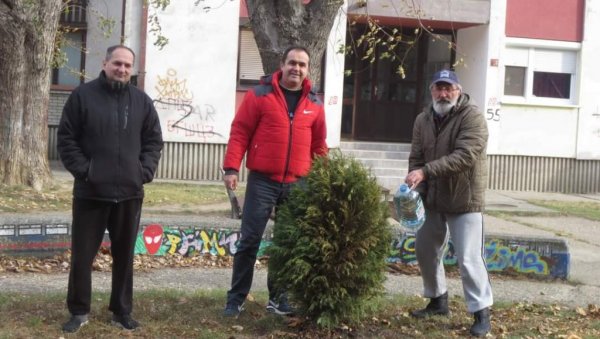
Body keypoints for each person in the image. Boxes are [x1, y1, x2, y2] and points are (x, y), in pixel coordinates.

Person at [57, 45, 163, 333]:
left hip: (129, 192)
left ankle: (121, 311)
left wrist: (143, 171)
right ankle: (79, 311)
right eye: (117, 63)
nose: (123, 69)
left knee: (125, 255)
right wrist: (86, 171)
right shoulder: (83, 97)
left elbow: (154, 141)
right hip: (90, 192)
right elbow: (66, 139)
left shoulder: (142, 102)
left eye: (128, 65)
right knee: (82, 256)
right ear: (105, 63)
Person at [222, 45, 328, 318]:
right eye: (292, 62)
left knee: (287, 243)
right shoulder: (259, 95)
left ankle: (279, 298)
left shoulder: (314, 104)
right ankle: (236, 299)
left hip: (298, 183)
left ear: (308, 69)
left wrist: (325, 176)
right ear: (282, 65)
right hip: (263, 181)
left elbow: (319, 145)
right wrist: (231, 167)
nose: (296, 68)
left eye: (302, 64)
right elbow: (240, 131)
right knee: (249, 241)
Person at [404, 69, 493, 337]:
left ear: (459, 90)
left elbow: (465, 156)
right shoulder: (423, 119)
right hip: (432, 198)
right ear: (431, 90)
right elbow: (416, 156)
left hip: (465, 199)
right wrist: (415, 187)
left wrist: (425, 172)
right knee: (425, 249)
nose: (443, 94)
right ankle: (437, 300)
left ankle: (481, 312)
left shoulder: (473, 117)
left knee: (468, 258)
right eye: (438, 88)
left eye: (449, 88)